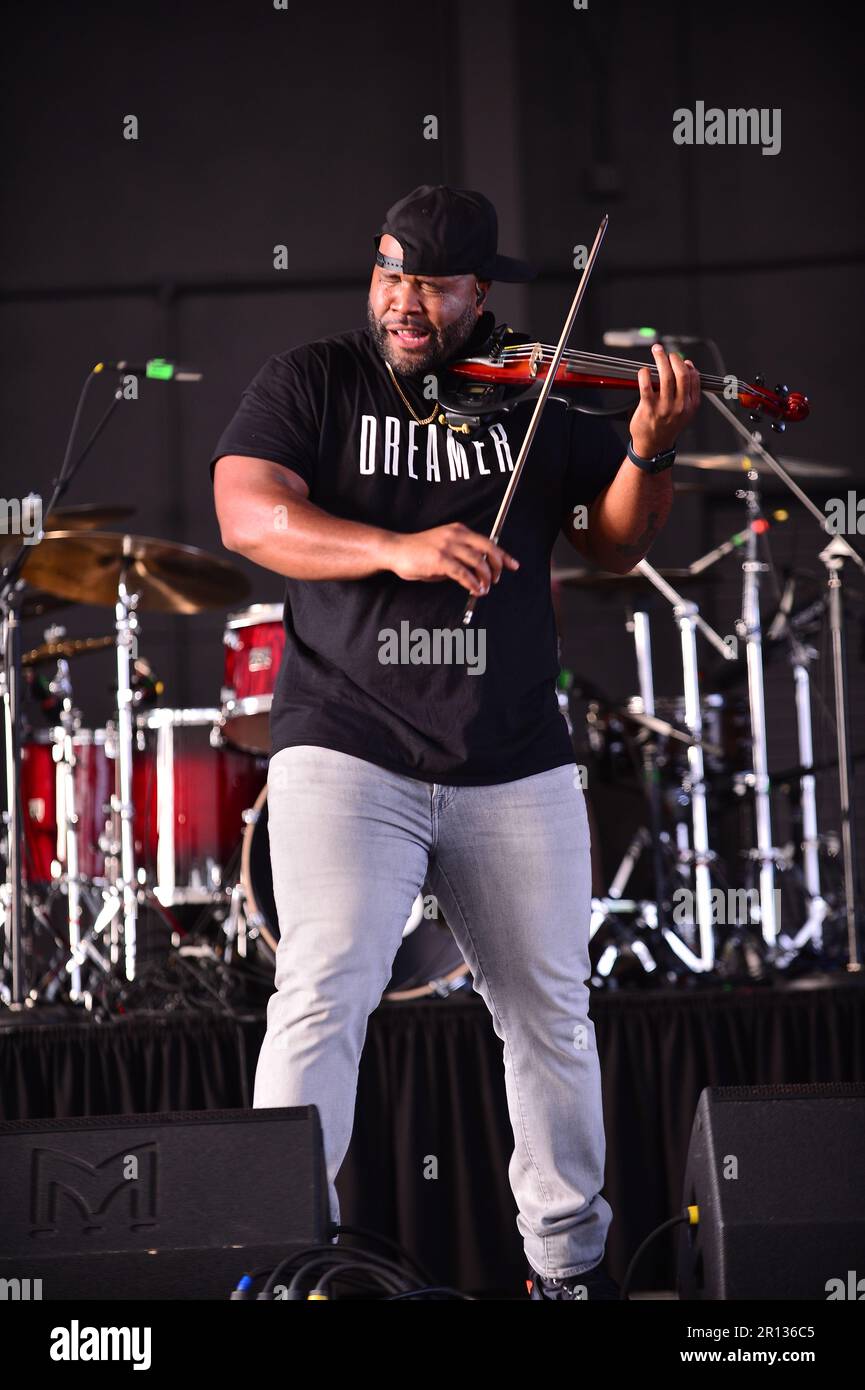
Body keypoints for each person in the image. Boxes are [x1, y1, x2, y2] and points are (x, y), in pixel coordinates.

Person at [210, 184, 700, 1300]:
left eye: (432, 280)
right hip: (347, 741)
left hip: (514, 755)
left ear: (481, 290)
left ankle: (567, 1271)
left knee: (549, 1015)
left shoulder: (534, 396)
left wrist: (649, 455)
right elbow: (249, 513)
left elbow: (613, 544)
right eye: (389, 270)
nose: (404, 298)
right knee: (322, 983)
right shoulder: (314, 381)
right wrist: (399, 548)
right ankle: (277, 1263)